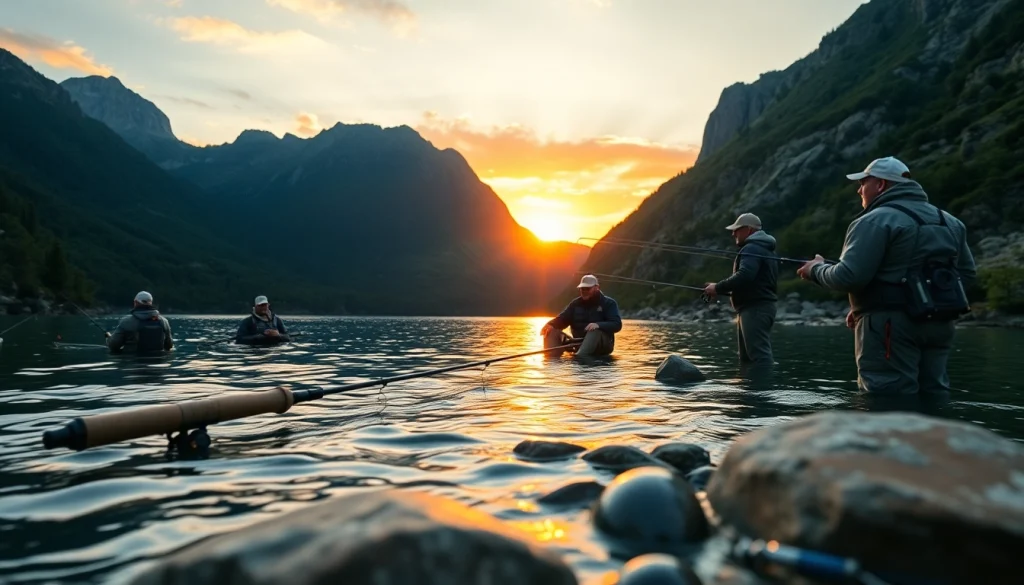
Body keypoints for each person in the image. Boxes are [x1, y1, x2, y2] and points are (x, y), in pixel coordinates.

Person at [796, 156, 976, 394]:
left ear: (880, 184)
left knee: (887, 396)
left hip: (890, 326)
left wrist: (815, 269)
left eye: (863, 182)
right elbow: (967, 276)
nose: (859, 189)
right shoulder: (951, 222)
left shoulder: (873, 220)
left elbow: (847, 276)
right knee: (934, 392)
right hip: (941, 324)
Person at [703, 213, 779, 365]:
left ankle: (766, 388)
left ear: (749, 230)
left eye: (737, 229)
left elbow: (745, 275)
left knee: (759, 358)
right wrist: (719, 288)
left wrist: (717, 287)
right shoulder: (764, 249)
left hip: (755, 309)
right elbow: (754, 282)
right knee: (747, 359)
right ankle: (750, 388)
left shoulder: (752, 248)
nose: (733, 233)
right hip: (756, 308)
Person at [541, 274, 622, 357]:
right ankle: (551, 362)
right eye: (582, 289)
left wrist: (598, 325)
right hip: (578, 343)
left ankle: (579, 358)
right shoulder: (575, 304)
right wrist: (551, 324)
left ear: (597, 288)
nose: (584, 291)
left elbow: (617, 324)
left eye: (587, 288)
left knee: (594, 330)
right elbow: (563, 319)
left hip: (603, 345)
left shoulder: (609, 303)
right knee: (550, 330)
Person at [106, 291, 174, 353]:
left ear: (135, 302)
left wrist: (109, 338)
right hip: (158, 363)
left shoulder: (126, 322)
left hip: (133, 363)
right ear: (150, 303)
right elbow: (169, 346)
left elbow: (114, 345)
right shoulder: (164, 322)